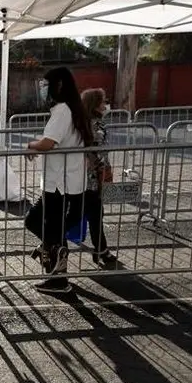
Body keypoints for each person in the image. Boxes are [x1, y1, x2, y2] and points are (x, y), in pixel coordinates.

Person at [24, 67, 93, 294]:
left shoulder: (63, 110)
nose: (44, 89)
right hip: (68, 182)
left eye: (46, 85)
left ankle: (58, 274)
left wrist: (30, 145)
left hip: (58, 184)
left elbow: (48, 143)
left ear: (58, 85)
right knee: (49, 226)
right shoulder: (74, 109)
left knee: (37, 222)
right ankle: (55, 257)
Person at [80, 88, 119, 267]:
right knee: (92, 213)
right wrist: (101, 167)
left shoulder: (92, 122)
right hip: (92, 177)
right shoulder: (93, 124)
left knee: (95, 213)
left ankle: (101, 249)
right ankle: (101, 250)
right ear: (95, 104)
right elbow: (95, 150)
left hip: (95, 175)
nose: (106, 104)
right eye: (103, 101)